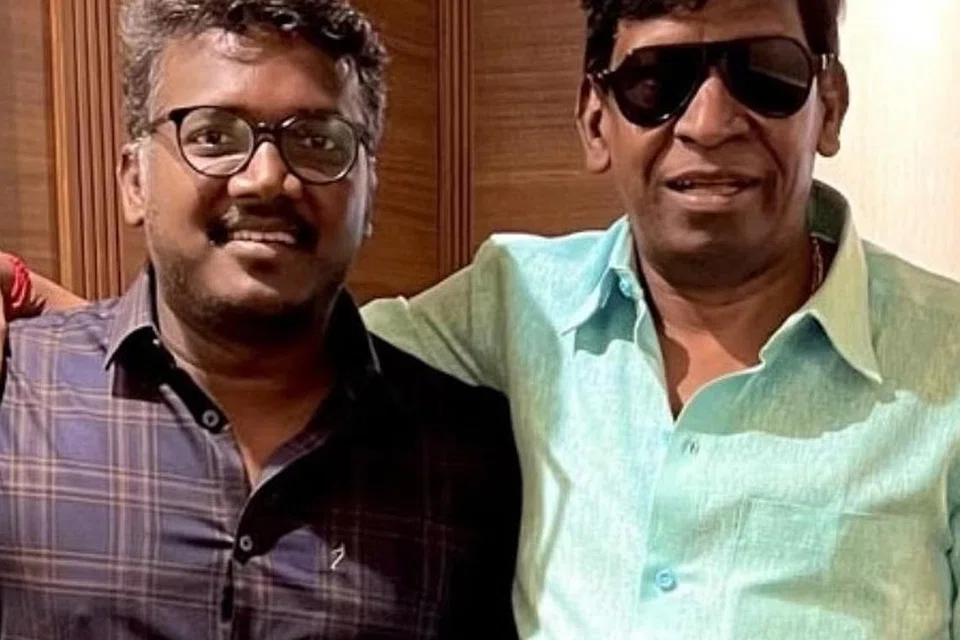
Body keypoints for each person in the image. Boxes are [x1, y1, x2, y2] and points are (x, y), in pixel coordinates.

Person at [9, 0, 960, 638]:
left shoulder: (948, 360)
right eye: (656, 81)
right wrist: (61, 333)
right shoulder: (516, 300)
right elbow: (274, 329)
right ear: (595, 120)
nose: (710, 121)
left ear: (831, 105)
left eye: (765, 73)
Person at [0, 0, 521, 638]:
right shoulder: (14, 397)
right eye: (214, 136)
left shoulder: (471, 458)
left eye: (317, 141)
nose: (267, 179)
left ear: (369, 193)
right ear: (135, 181)